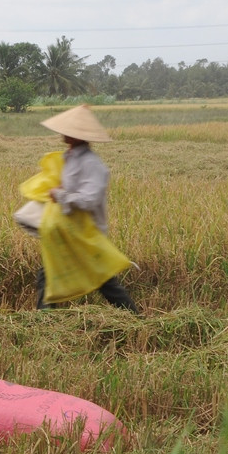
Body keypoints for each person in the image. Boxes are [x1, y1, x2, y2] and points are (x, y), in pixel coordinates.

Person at [35, 104, 139, 314]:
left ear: (77, 135)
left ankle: (136, 319)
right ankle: (43, 320)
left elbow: (89, 200)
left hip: (86, 234)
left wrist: (61, 195)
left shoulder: (94, 165)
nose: (62, 133)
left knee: (105, 282)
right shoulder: (69, 158)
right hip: (69, 231)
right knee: (47, 275)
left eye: (67, 130)